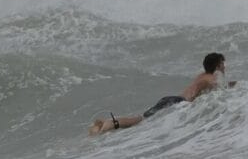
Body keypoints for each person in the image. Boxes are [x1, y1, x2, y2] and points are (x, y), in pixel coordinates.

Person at [88, 52, 236, 135]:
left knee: (141, 119)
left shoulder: (202, 75)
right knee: (141, 121)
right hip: (177, 103)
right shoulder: (212, 78)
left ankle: (109, 123)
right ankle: (108, 124)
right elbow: (220, 88)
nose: (225, 66)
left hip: (172, 100)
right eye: (223, 63)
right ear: (218, 65)